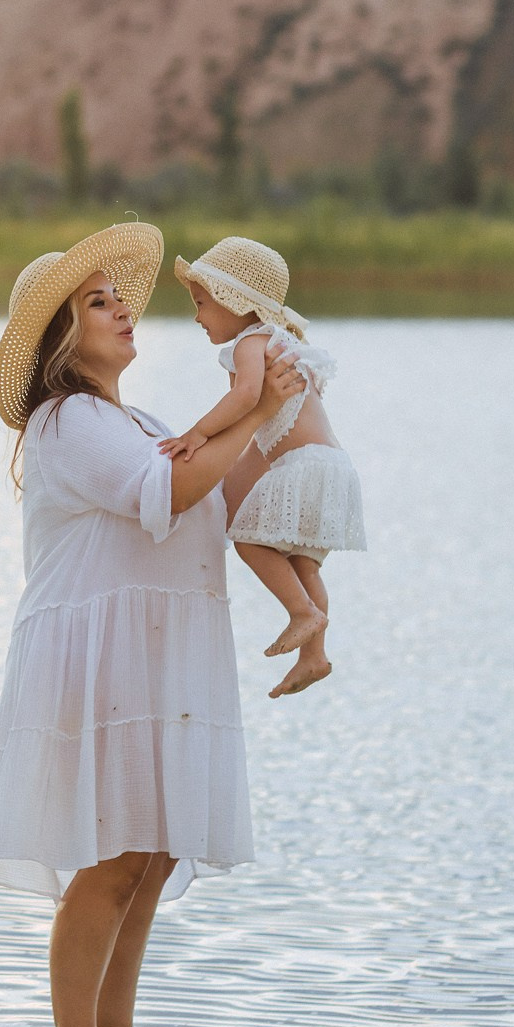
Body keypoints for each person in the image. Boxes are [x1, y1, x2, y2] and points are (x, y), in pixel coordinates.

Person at [0, 223, 305, 1027]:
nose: (122, 308)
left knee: (149, 855)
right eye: (97, 302)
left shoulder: (142, 415)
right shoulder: (67, 417)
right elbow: (175, 484)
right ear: (61, 337)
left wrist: (287, 409)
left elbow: (224, 489)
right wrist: (254, 406)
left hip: (156, 650)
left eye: (118, 297)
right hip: (101, 652)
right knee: (114, 856)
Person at [160, 236, 366, 698]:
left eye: (201, 303)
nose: (197, 316)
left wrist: (198, 433)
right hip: (334, 468)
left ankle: (300, 614)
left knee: (249, 538)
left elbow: (247, 396)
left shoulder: (248, 342)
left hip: (301, 465)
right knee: (303, 563)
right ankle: (315, 655)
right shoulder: (287, 344)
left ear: (234, 301)